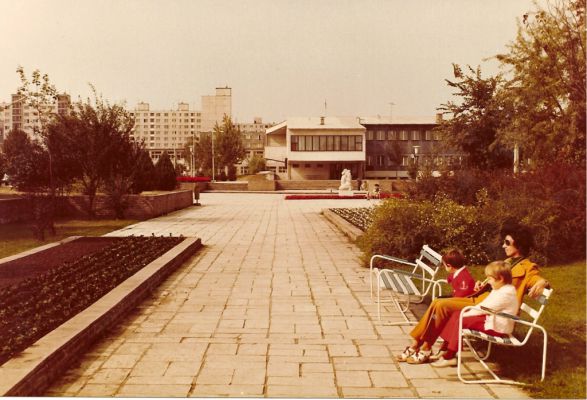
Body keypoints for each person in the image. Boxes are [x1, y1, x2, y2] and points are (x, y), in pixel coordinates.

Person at [396, 221, 550, 364]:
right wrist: (481, 285)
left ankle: (422, 348)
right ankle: (419, 346)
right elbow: (494, 281)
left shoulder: (528, 267)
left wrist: (543, 282)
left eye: (507, 242)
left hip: (490, 310)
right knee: (438, 302)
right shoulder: (508, 262)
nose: (503, 246)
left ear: (520, 245)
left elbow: (536, 279)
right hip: (479, 299)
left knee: (441, 304)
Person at [431, 261, 519, 367]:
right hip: (491, 319)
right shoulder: (501, 289)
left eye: (490, 279)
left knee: (460, 319)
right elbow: (485, 306)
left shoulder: (505, 294)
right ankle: (445, 348)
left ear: (500, 279)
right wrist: (465, 313)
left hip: (497, 327)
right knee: (456, 315)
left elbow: (484, 308)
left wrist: (466, 314)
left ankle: (450, 356)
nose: (488, 282)